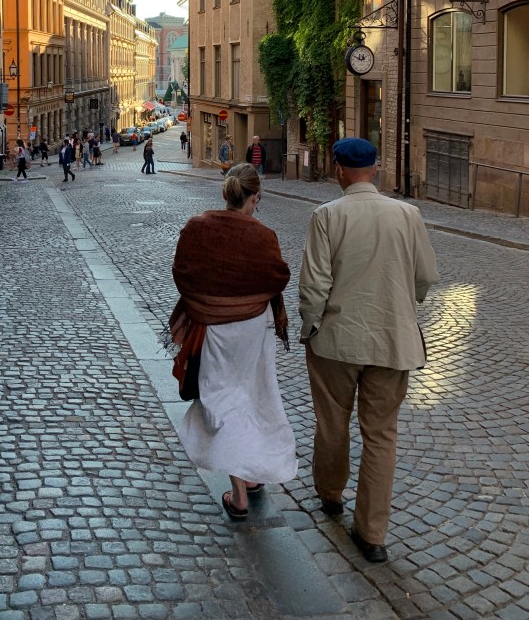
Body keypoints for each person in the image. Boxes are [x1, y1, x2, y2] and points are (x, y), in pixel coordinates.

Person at [298, 137, 438, 563]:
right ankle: (372, 534)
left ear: (339, 170)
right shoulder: (408, 215)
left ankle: (330, 494)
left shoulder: (327, 216)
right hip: (392, 340)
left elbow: (313, 286)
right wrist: (403, 304)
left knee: (332, 424)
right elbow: (426, 276)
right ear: (375, 170)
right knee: (381, 435)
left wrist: (311, 325)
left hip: (337, 341)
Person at [169, 164, 297, 521]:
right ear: (253, 197)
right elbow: (279, 276)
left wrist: (206, 304)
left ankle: (241, 489)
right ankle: (247, 482)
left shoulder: (197, 227)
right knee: (253, 396)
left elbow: (182, 272)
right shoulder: (263, 235)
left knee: (223, 400)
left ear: (226, 194)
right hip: (254, 329)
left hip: (214, 329)